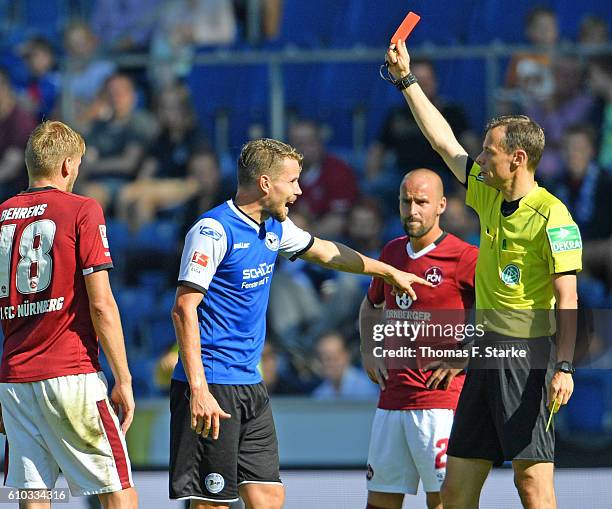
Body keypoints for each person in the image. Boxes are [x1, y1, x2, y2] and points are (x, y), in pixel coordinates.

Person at [169, 138, 432, 508]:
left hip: (250, 382)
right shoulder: (213, 230)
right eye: (292, 181)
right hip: (212, 382)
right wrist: (198, 389)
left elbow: (327, 252)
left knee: (269, 497)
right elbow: (184, 308)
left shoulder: (274, 228)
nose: (299, 190)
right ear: (264, 183)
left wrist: (387, 271)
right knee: (212, 502)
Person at [385, 38, 580, 509]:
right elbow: (442, 140)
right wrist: (406, 80)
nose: (480, 157)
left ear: (517, 158)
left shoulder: (554, 216)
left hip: (529, 357)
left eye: (490, 151)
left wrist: (566, 367)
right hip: (484, 352)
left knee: (531, 486)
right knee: (455, 491)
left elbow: (568, 295)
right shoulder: (489, 192)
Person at [0, 121, 137, 507]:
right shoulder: (82, 209)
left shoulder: (2, 215)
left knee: (34, 494)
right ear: (66, 166)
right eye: (77, 164)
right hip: (71, 374)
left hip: (15, 379)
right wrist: (123, 379)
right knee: (118, 490)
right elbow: (101, 304)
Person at [360, 169, 478, 509]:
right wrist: (370, 351)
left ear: (441, 205)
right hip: (392, 399)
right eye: (406, 201)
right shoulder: (392, 252)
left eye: (421, 202)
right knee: (380, 500)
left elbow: (499, 313)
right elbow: (370, 307)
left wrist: (463, 356)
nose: (412, 210)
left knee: (444, 501)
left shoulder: (463, 256)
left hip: (440, 403)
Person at [312, 331, 378, 401]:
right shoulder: (320, 393)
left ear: (346, 356)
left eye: (332, 357)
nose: (326, 363)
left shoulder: (365, 388)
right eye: (321, 358)